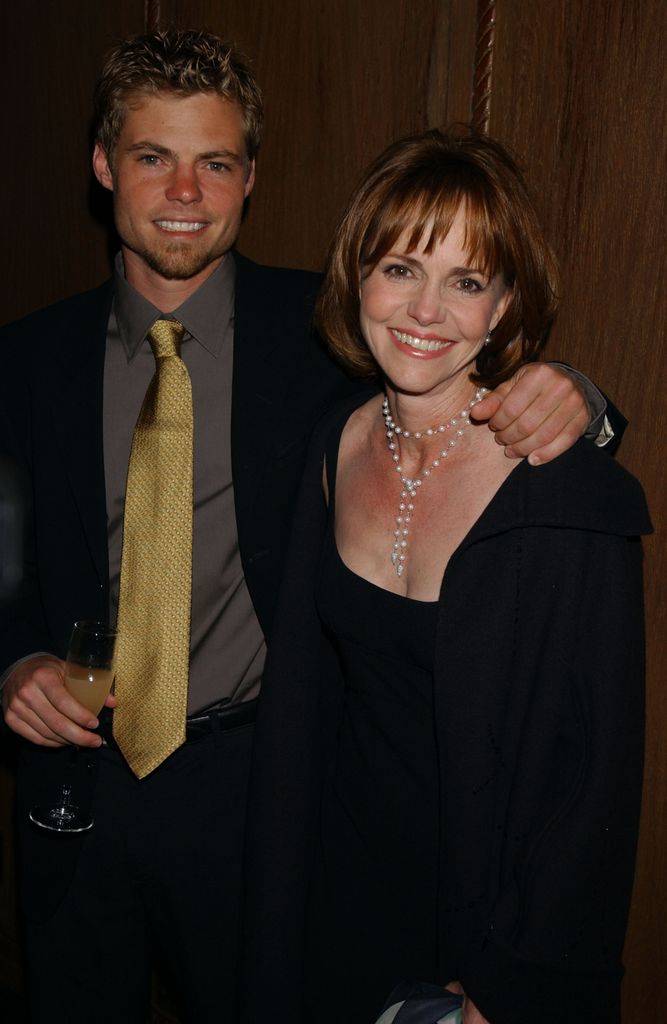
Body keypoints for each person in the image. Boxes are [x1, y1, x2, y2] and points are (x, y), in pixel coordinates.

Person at [0, 28, 614, 1024]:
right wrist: (11, 658)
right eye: (154, 157)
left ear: (251, 179)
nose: (185, 193)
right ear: (105, 164)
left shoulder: (330, 330)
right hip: (76, 796)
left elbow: (459, 352)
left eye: (216, 163)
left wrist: (580, 395)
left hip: (261, 797)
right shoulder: (24, 361)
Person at [241, 128, 651, 1024]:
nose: (426, 311)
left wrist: (513, 985)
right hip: (334, 893)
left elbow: (592, 789)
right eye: (400, 269)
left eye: (465, 282)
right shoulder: (332, 443)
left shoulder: (567, 497)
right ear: (356, 279)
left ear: (502, 307)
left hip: (481, 925)